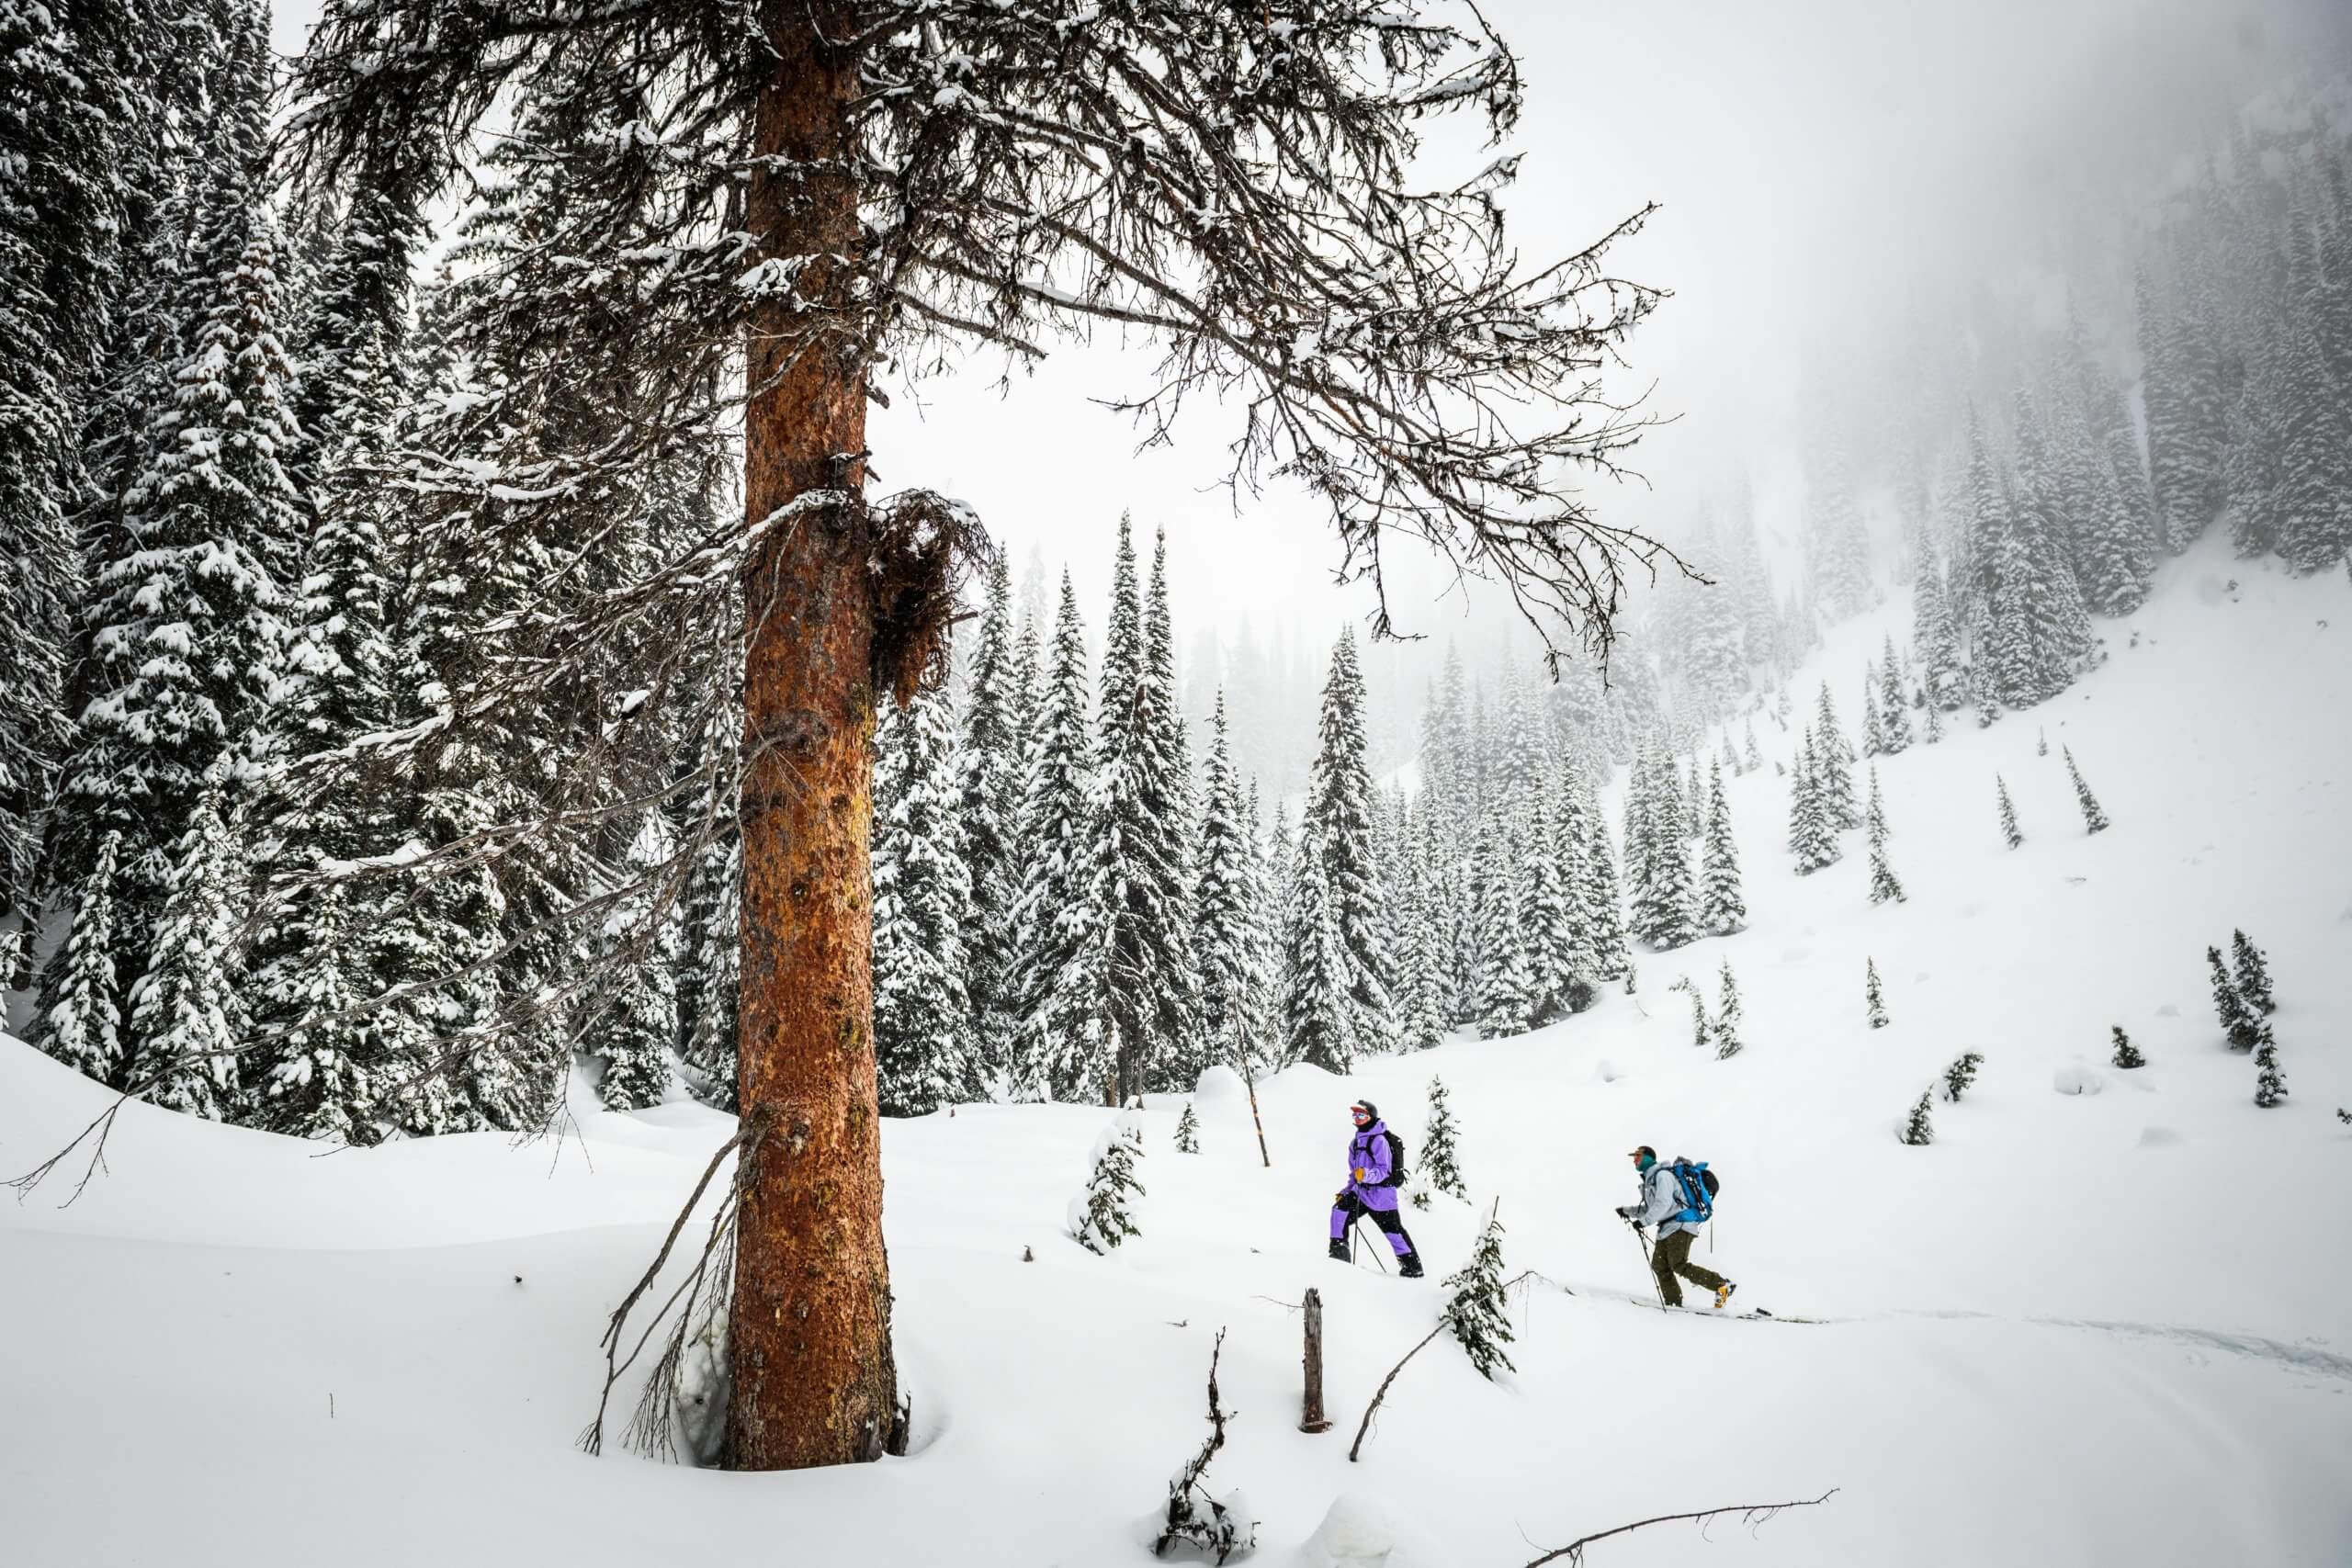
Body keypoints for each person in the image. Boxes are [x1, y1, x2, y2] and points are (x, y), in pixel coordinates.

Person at [1615, 1144, 1736, 1310]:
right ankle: (1674, 1303)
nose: (1634, 1159)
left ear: (1649, 1158)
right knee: (1659, 1266)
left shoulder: (1663, 1176)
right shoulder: (1650, 1181)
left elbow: (1663, 1204)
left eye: (1638, 1155)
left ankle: (1722, 1285)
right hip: (1667, 1228)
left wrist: (1643, 1222)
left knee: (1678, 1264)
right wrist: (1626, 1211)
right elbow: (1649, 1209)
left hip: (1680, 1224)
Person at [1328, 1100, 1423, 1277]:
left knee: (1394, 1233)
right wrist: (1346, 1191)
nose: (1357, 1118)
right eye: (1355, 1115)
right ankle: (1338, 1258)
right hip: (1361, 1194)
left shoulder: (1379, 1140)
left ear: (1371, 1116)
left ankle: (1413, 1269)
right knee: (1338, 1211)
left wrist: (1365, 1175)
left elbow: (1383, 1170)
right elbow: (1354, 1174)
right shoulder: (1355, 1143)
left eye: (1361, 1115)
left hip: (1382, 1198)